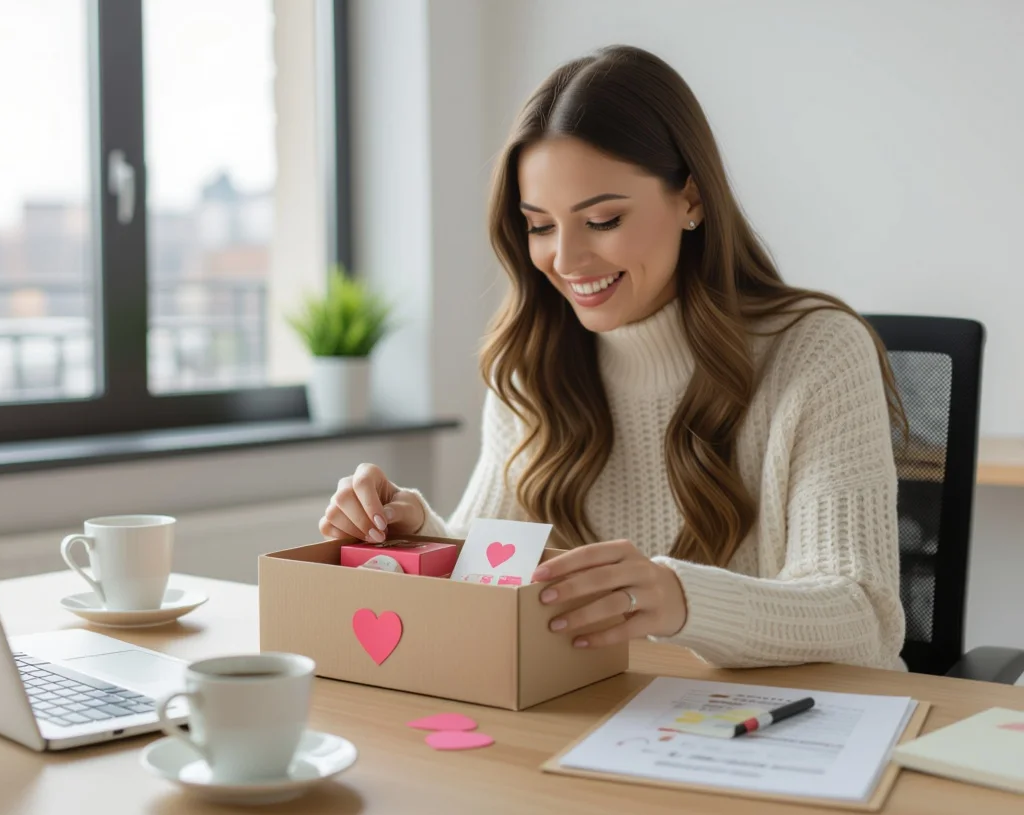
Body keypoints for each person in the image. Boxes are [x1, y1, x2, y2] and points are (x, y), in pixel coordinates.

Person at [319, 45, 905, 671]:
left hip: (793, 732)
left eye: (601, 219)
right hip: (615, 720)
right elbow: (490, 570)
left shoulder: (817, 354)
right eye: (540, 226)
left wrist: (680, 601)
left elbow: (864, 619)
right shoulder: (531, 365)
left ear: (692, 200)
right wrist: (419, 535)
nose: (566, 261)